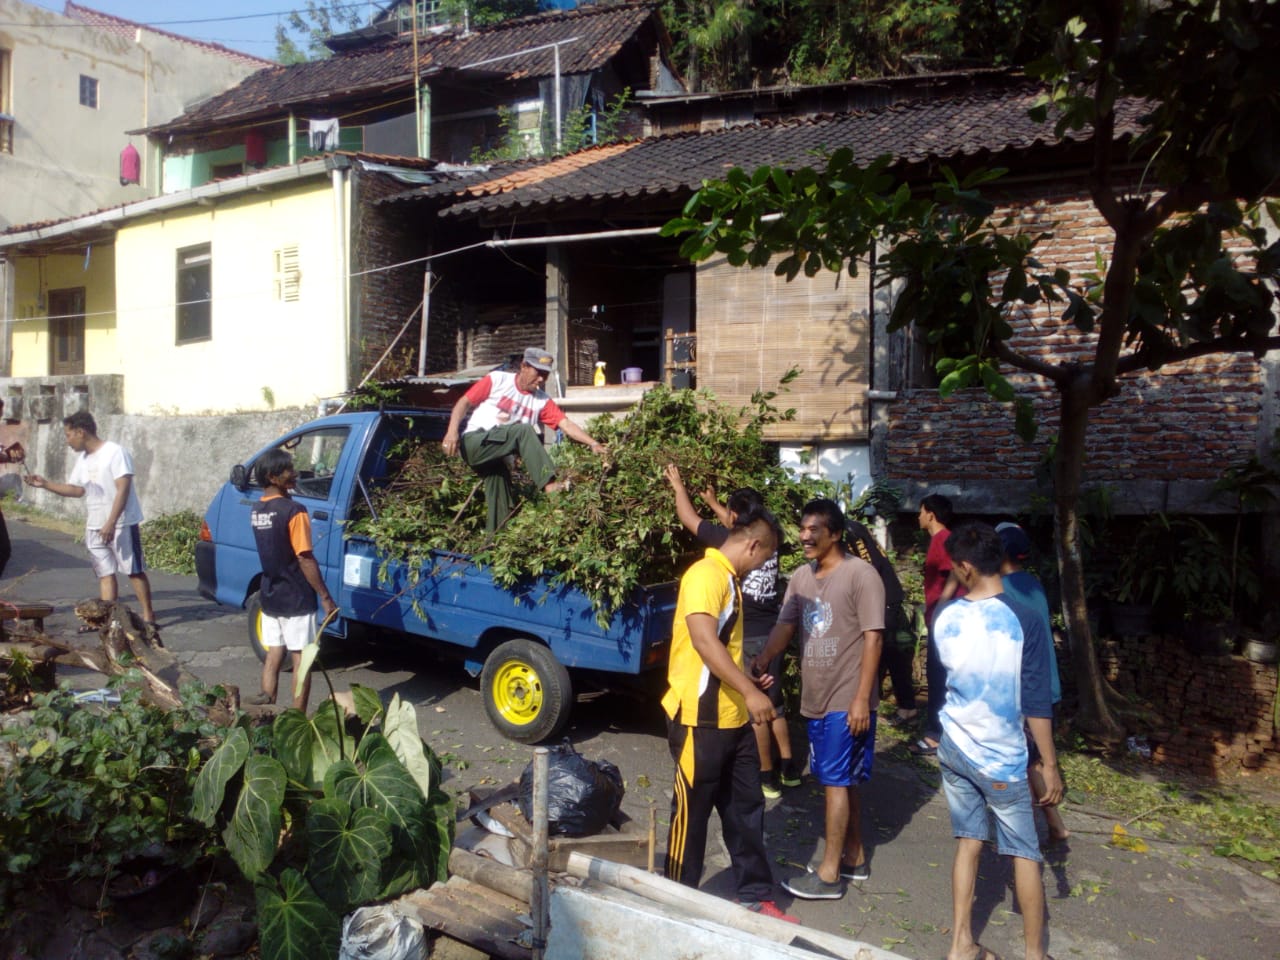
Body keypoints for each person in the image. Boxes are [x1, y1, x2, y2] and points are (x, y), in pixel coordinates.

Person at [662, 505, 798, 924]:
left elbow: (722, 648)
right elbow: (703, 641)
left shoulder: (729, 580)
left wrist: (748, 681)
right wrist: (748, 692)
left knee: (746, 807)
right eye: (767, 556)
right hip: (697, 720)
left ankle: (755, 894)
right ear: (753, 545)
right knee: (692, 813)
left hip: (733, 717)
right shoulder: (705, 576)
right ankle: (675, 902)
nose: (765, 565)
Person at [933, 521, 1062, 960]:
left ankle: (960, 945)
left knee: (968, 842)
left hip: (954, 747)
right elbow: (1036, 704)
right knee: (1024, 854)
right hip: (1003, 759)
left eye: (955, 566)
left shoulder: (944, 618)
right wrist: (1049, 763)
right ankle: (1033, 954)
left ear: (966, 567)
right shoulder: (1023, 618)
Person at [752, 498, 884, 898]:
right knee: (841, 780)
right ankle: (854, 857)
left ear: (835, 534)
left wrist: (862, 698)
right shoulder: (800, 578)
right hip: (817, 694)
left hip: (847, 696)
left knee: (834, 782)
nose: (805, 536)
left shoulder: (861, 575)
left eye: (814, 530)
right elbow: (785, 627)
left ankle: (829, 874)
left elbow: (874, 638)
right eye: (803, 528)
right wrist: (763, 657)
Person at [664, 463, 800, 797]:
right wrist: (713, 503)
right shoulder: (768, 543)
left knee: (757, 706)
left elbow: (688, 518)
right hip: (771, 631)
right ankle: (788, 768)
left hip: (749, 636)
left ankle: (766, 774)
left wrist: (679, 487)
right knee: (774, 703)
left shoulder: (723, 552)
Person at [441, 347, 608, 533]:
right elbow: (464, 402)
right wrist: (452, 431)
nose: (541, 380)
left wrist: (593, 443)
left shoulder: (541, 401)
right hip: (475, 442)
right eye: (538, 373)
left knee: (500, 489)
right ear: (524, 366)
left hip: (496, 457)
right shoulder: (498, 380)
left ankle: (494, 542)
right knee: (523, 430)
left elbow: (566, 424)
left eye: (545, 375)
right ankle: (550, 485)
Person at [25, 411, 157, 631]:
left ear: (81, 431)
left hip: (121, 523)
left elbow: (123, 489)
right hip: (94, 524)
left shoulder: (115, 453)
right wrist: (45, 484)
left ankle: (149, 617)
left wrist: (110, 522)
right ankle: (106, 619)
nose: (67, 441)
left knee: (133, 570)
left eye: (69, 435)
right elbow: (77, 490)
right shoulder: (83, 459)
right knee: (105, 573)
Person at [247, 448, 338, 710]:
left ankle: (266, 702)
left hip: (270, 592)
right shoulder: (294, 510)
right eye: (288, 469)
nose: (294, 473)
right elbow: (304, 558)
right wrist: (325, 596)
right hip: (296, 595)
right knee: (301, 657)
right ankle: (297, 716)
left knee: (274, 651)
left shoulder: (257, 509)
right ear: (273, 477)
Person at [997, 521, 1069, 845]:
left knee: (1023, 761)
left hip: (1028, 688)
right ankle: (1053, 825)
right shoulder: (1033, 585)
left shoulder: (1002, 589)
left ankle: (1035, 828)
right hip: (1047, 683)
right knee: (1031, 760)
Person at [845, 518, 917, 724]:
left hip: (884, 600)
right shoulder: (855, 528)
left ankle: (906, 707)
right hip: (887, 597)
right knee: (885, 654)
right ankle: (897, 704)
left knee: (888, 653)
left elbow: (870, 566)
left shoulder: (851, 532)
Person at [914, 492, 956, 755]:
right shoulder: (938, 540)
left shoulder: (943, 539)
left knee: (939, 677)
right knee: (937, 676)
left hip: (944, 620)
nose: (918, 517)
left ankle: (935, 735)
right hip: (938, 617)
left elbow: (955, 570)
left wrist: (942, 604)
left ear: (930, 513)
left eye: (920, 511)